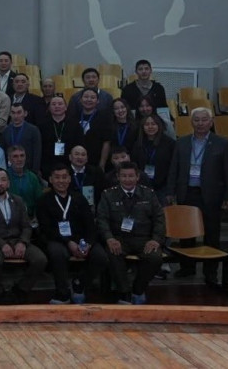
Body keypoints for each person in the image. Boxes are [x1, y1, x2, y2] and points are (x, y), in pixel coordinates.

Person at [166, 107, 228, 284]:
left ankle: (210, 272)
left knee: (212, 234)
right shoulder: (181, 142)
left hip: (212, 195)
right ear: (191, 122)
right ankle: (187, 267)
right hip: (187, 192)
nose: (200, 123)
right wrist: (170, 191)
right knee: (186, 233)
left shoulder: (223, 143)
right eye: (196, 120)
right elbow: (174, 168)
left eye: (204, 120)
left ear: (211, 122)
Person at [36, 163, 109, 305]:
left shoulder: (79, 198)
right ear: (50, 179)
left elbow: (90, 225)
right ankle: (62, 293)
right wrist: (68, 242)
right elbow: (46, 229)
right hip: (58, 239)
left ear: (69, 179)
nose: (61, 181)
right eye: (57, 177)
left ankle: (79, 283)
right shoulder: (43, 200)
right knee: (57, 253)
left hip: (81, 239)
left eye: (64, 177)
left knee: (101, 257)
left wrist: (88, 243)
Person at [97, 162, 165, 305]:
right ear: (118, 177)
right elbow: (102, 220)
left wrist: (156, 240)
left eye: (131, 176)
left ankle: (138, 289)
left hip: (143, 238)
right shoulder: (108, 195)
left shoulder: (149, 194)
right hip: (119, 239)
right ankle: (124, 293)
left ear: (137, 177)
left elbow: (159, 219)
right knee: (113, 254)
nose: (127, 179)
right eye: (124, 176)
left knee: (155, 257)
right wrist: (109, 238)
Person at [0, 168, 47, 302]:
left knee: (40, 259)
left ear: (8, 183)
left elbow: (26, 226)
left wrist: (22, 242)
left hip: (17, 239)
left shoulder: (18, 200)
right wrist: (2, 244)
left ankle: (20, 289)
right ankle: (0, 292)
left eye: (3, 180)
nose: (0, 183)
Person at [132, 114, 175, 204]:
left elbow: (173, 169)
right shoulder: (138, 144)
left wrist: (170, 191)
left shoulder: (170, 143)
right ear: (142, 127)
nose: (150, 127)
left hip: (163, 188)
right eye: (147, 124)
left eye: (153, 124)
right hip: (142, 187)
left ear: (159, 125)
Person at [39, 95, 83, 177]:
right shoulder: (42, 125)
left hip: (69, 164)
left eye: (60, 104)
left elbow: (79, 145)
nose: (57, 106)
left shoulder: (75, 124)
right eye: (54, 104)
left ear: (66, 107)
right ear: (49, 108)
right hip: (47, 165)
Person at [72, 87, 113, 170]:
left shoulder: (104, 117)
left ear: (98, 101)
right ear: (81, 100)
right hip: (76, 161)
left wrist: (102, 164)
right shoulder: (74, 116)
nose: (89, 99)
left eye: (92, 97)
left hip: (96, 160)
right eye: (86, 97)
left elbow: (106, 142)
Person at [5, 146, 45, 217]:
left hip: (30, 217)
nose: (19, 159)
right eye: (15, 156)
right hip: (9, 216)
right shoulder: (4, 177)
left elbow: (39, 200)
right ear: (9, 159)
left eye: (22, 156)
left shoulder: (32, 177)